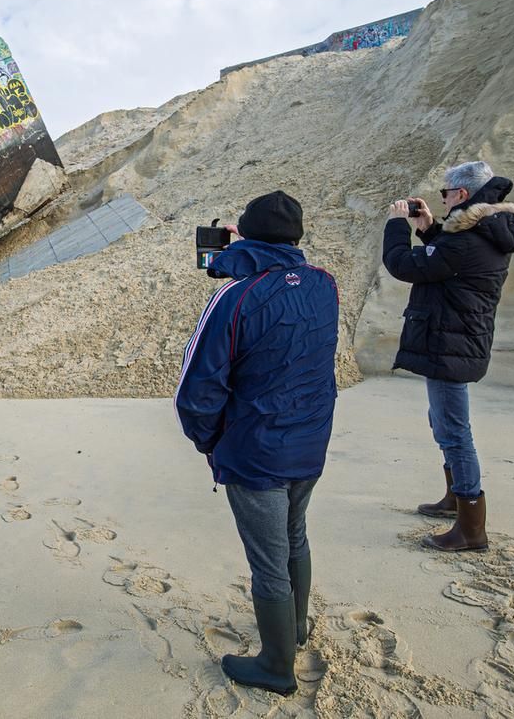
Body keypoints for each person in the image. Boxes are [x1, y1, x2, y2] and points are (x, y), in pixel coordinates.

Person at [175, 190, 339, 696]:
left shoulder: (235, 296)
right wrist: (244, 253)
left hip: (256, 449)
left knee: (268, 559)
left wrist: (209, 442)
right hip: (310, 440)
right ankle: (296, 627)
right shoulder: (324, 284)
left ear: (246, 236)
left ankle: (276, 666)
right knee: (294, 536)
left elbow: (196, 390)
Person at [383, 161, 514, 552]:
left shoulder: (470, 240)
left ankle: (471, 528)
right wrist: (429, 228)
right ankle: (454, 500)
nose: (442, 199)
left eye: (445, 193)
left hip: (452, 342)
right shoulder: (483, 229)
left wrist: (396, 225)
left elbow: (405, 265)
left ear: (462, 194)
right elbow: (446, 261)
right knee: (444, 422)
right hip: (456, 339)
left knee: (454, 432)